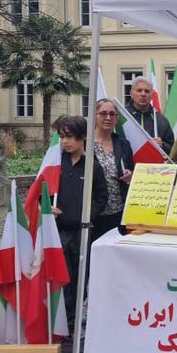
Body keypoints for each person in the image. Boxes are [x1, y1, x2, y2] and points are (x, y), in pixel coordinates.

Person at [50, 116, 108, 319]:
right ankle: (61, 321)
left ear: (83, 137)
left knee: (79, 277)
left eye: (70, 137)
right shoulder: (56, 164)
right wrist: (47, 205)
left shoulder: (92, 165)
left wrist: (88, 215)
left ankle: (74, 321)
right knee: (61, 277)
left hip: (82, 233)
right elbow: (43, 191)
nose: (65, 142)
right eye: (62, 137)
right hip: (59, 231)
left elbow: (102, 196)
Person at [92, 99, 134, 239]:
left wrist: (130, 174)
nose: (108, 117)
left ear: (117, 118)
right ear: (95, 115)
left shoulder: (123, 144)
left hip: (119, 212)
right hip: (94, 214)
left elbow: (132, 170)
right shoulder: (85, 144)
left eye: (112, 114)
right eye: (103, 113)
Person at [125, 77, 173, 155]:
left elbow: (173, 149)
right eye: (139, 90)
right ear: (131, 93)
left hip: (153, 166)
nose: (143, 94)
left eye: (147, 91)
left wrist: (162, 145)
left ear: (152, 95)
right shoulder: (122, 117)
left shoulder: (161, 120)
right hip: (128, 165)